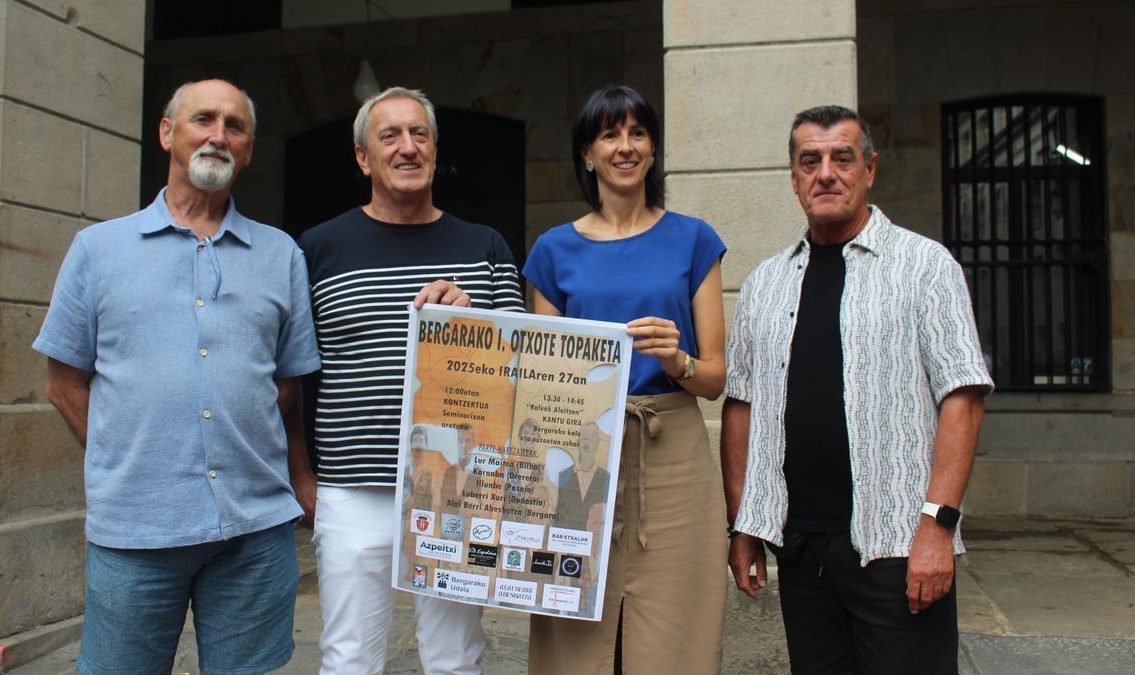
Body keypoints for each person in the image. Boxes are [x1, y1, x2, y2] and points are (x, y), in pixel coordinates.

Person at [33, 79, 320, 675]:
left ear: (248, 150)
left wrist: (298, 474)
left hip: (255, 528)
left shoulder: (281, 255)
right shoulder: (97, 249)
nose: (218, 134)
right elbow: (63, 385)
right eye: (203, 119)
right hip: (136, 530)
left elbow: (288, 386)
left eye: (234, 126)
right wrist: (131, 457)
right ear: (168, 133)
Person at [722, 105, 994, 674]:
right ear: (794, 178)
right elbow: (741, 404)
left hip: (897, 543)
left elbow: (962, 400)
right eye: (809, 161)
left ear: (869, 169)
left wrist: (937, 529)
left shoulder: (925, 266)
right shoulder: (767, 283)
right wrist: (744, 524)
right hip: (799, 547)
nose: (826, 173)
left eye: (842, 158)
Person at [295, 86, 525, 675]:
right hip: (352, 489)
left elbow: (524, 377)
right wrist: (303, 478)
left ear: (435, 149)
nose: (407, 147)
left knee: (454, 660)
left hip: (458, 488)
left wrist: (472, 319)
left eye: (419, 134)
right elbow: (291, 376)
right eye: (389, 135)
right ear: (362, 157)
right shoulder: (318, 249)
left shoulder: (485, 247)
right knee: (348, 659)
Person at [522, 84, 728, 674]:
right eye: (609, 134)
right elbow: (545, 376)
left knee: (676, 627)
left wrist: (678, 362)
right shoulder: (554, 249)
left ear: (654, 148)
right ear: (587, 153)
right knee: (573, 623)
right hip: (579, 449)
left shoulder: (693, 239)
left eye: (637, 133)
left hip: (672, 451)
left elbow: (714, 377)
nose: (625, 146)